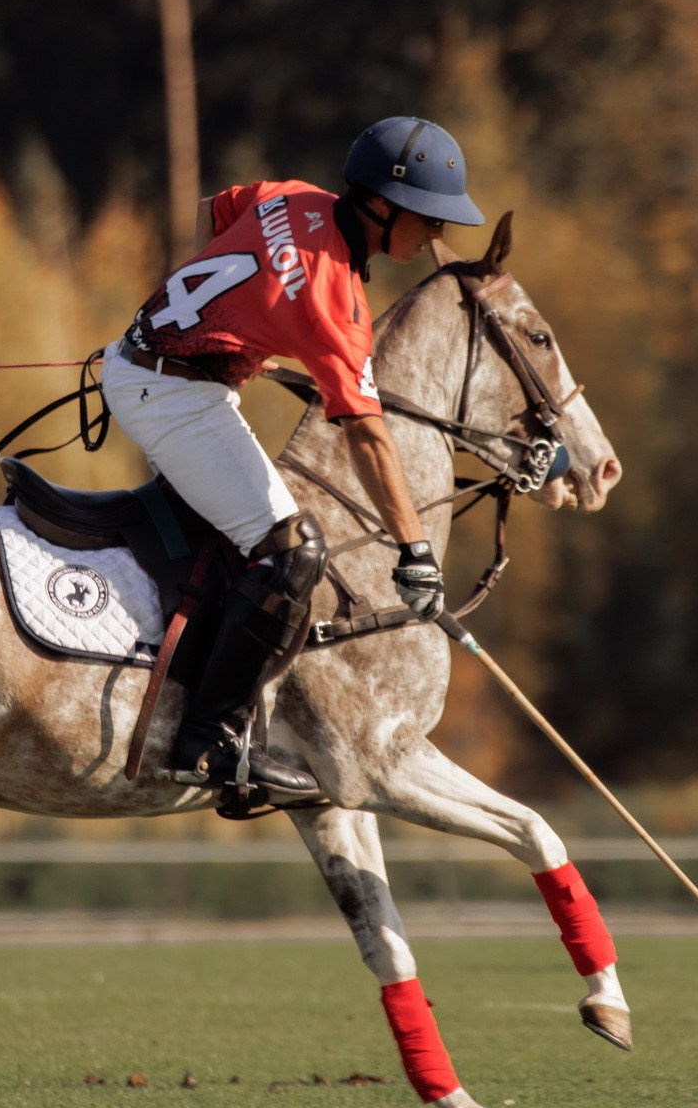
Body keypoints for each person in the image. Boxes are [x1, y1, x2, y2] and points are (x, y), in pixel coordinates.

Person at [102, 116, 484, 815]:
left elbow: (220, 212)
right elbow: (367, 435)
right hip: (172, 393)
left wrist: (244, 325)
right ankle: (209, 742)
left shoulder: (292, 197)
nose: (435, 236)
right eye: (428, 219)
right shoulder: (337, 299)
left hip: (145, 356)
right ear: (380, 205)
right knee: (290, 550)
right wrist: (416, 551)